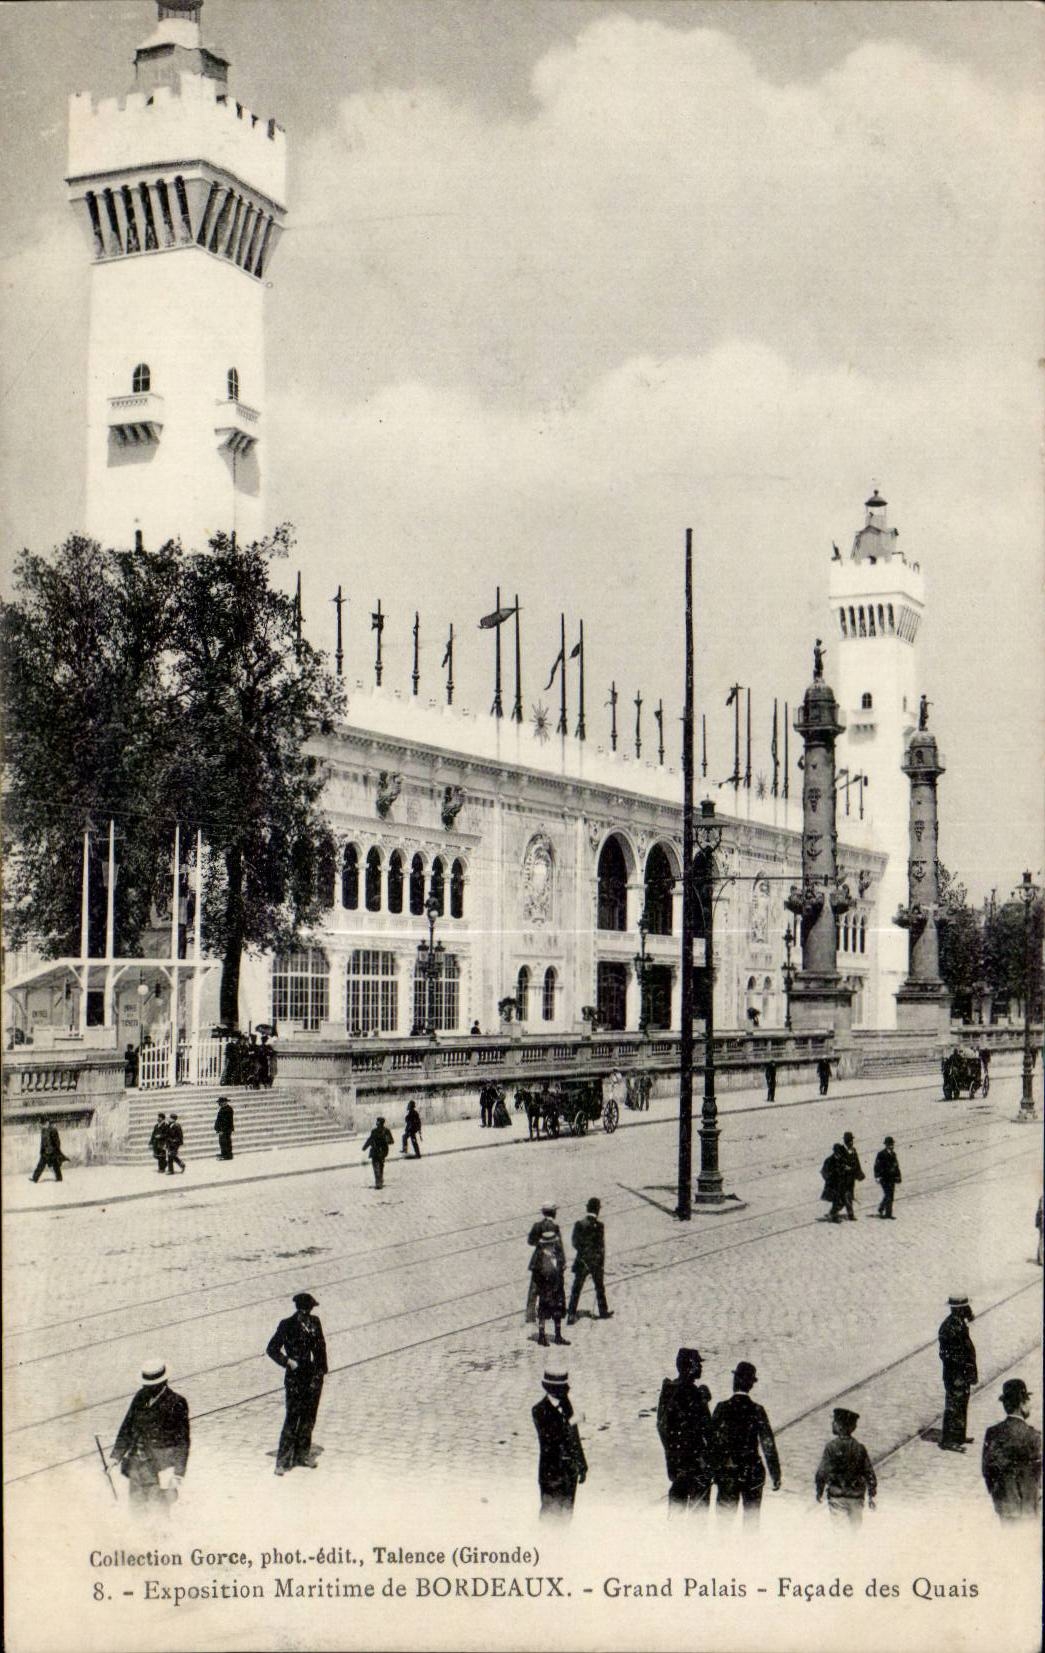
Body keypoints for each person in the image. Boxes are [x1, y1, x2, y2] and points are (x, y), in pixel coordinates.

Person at [110, 1358, 189, 1513]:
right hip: (135, 1466)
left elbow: (182, 1441)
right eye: (145, 1384)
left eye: (151, 1385)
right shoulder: (140, 1397)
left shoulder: (176, 1403)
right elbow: (127, 1427)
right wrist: (115, 1456)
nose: (147, 1388)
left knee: (158, 1512)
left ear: (163, 1382)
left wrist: (178, 1474)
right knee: (137, 1511)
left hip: (158, 1468)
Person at [266, 1292, 328, 1476]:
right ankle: (283, 1462)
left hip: (312, 1375)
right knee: (292, 1418)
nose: (307, 1313)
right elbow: (272, 1348)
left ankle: (302, 1455)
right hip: (295, 1377)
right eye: (305, 1309)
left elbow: (321, 1349)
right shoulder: (287, 1325)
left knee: (309, 1417)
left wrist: (320, 1373)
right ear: (299, 1309)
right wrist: (287, 1361)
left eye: (309, 1310)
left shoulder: (315, 1323)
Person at [710, 1361, 781, 1519]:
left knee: (724, 1522)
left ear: (734, 1381)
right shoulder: (758, 1410)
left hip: (728, 1471)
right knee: (752, 1520)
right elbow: (768, 1444)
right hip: (752, 1471)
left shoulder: (722, 1408)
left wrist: (714, 1469)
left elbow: (711, 1441)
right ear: (751, 1385)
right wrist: (775, 1474)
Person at [657, 1347, 713, 1511]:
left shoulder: (668, 1390)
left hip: (676, 1463)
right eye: (698, 1364)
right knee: (698, 1516)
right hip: (696, 1464)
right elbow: (707, 1429)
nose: (701, 1367)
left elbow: (662, 1426)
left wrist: (672, 1454)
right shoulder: (693, 1394)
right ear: (689, 1366)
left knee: (676, 1512)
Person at [981, 1379, 1041, 1521]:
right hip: (1029, 1507)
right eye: (1028, 1401)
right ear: (1022, 1404)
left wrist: (998, 1495)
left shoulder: (993, 1432)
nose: (1030, 1405)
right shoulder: (1033, 1435)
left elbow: (987, 1470)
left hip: (1005, 1505)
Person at [532, 1369, 587, 1518]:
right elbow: (550, 1439)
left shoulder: (566, 1404)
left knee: (567, 1516)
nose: (565, 1393)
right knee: (550, 1518)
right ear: (551, 1390)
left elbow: (575, 1438)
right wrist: (571, 1421)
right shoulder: (539, 1410)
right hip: (551, 1475)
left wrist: (582, 1464)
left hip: (569, 1474)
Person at [814, 1407, 877, 1522]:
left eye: (834, 1422)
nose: (832, 1424)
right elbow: (869, 1472)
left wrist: (819, 1490)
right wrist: (871, 1494)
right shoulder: (859, 1447)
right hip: (856, 1496)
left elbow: (822, 1472)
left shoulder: (831, 1447)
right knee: (855, 1527)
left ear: (839, 1426)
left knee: (839, 1528)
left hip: (837, 1495)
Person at [938, 1294, 978, 1451]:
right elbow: (945, 1353)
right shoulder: (949, 1327)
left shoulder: (959, 1323)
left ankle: (959, 1435)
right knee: (954, 1405)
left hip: (962, 1374)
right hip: (955, 1375)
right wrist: (961, 1367)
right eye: (965, 1308)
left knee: (962, 1403)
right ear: (958, 1309)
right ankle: (949, 1440)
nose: (968, 1310)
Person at [527, 1204, 568, 1346]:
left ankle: (543, 1335)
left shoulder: (537, 1226)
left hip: (542, 1269)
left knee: (542, 1301)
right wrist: (562, 1265)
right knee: (556, 1302)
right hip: (550, 1273)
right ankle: (555, 1335)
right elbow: (560, 1249)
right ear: (553, 1212)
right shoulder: (555, 1228)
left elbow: (530, 1241)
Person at [566, 1197, 613, 1323]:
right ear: (598, 1210)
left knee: (576, 1288)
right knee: (599, 1287)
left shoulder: (579, 1224)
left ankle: (571, 1314)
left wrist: (584, 1252)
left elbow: (575, 1243)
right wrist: (600, 1262)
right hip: (596, 1262)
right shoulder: (600, 1226)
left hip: (582, 1261)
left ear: (587, 1209)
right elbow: (601, 1247)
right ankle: (603, 1312)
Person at [30, 1119, 67, 1183]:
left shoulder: (53, 1130)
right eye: (41, 1124)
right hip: (45, 1151)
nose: (42, 1126)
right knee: (40, 1165)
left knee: (56, 1165)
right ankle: (35, 1178)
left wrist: (56, 1150)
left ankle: (59, 1178)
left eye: (43, 1124)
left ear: (47, 1123)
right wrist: (41, 1150)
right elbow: (42, 1142)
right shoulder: (43, 1130)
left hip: (52, 1151)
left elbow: (57, 1141)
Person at [873, 1136, 901, 1218]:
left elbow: (896, 1166)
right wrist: (877, 1176)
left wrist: (898, 1176)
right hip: (884, 1178)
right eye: (890, 1144)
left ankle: (882, 1208)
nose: (892, 1146)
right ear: (886, 1145)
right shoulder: (881, 1154)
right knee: (888, 1195)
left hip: (892, 1178)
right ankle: (888, 1214)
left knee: (890, 1196)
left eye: (892, 1144)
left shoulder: (894, 1154)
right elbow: (876, 1166)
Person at [362, 1117, 393, 1188]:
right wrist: (364, 1147)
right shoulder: (375, 1131)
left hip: (381, 1151)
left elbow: (391, 1141)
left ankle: (379, 1181)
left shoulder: (385, 1131)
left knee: (379, 1166)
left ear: (380, 1123)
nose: (377, 1123)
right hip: (377, 1151)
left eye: (378, 1121)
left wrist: (386, 1139)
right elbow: (370, 1139)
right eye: (377, 1121)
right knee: (378, 1166)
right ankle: (379, 1181)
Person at [820, 1143, 848, 1222]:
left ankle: (832, 1212)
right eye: (838, 1152)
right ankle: (834, 1216)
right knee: (836, 1200)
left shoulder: (841, 1159)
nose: (840, 1154)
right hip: (832, 1185)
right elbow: (823, 1172)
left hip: (841, 1183)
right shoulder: (829, 1160)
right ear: (835, 1151)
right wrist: (829, 1178)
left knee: (843, 1200)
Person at [840, 1131, 864, 1220]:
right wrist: (844, 1167)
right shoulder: (841, 1150)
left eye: (851, 1140)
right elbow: (839, 1163)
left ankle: (834, 1212)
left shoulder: (853, 1150)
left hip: (851, 1178)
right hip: (843, 1178)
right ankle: (850, 1214)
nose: (851, 1142)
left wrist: (860, 1173)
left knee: (848, 1196)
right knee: (847, 1195)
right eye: (849, 1140)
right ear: (845, 1141)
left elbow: (857, 1162)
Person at [214, 1096, 235, 1161]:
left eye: (220, 1102)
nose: (219, 1104)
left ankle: (227, 1155)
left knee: (226, 1142)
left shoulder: (228, 1109)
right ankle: (224, 1153)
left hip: (225, 1129)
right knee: (222, 1142)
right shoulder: (223, 1108)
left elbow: (226, 1121)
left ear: (224, 1102)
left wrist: (221, 1130)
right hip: (222, 1129)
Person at [1036, 1196, 1043, 1267]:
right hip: (1042, 1222)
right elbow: (1040, 1211)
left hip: (1041, 1222)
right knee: (1042, 1240)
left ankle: (1040, 1259)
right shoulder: (1042, 1198)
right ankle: (1041, 1260)